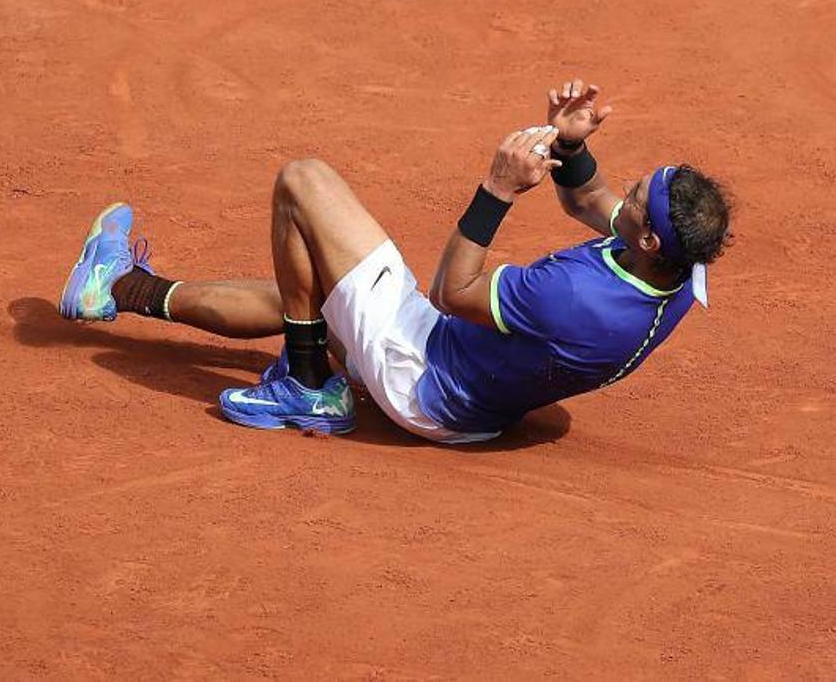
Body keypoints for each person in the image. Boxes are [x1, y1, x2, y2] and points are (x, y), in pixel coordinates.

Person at [58, 81, 732, 443]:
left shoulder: (574, 296)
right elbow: (592, 200)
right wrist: (569, 145)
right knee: (315, 293)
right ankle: (116, 288)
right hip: (481, 400)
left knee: (304, 181)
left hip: (424, 375)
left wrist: (496, 189)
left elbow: (451, 289)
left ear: (647, 242)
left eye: (638, 199)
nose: (627, 192)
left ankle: (305, 387)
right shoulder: (674, 270)